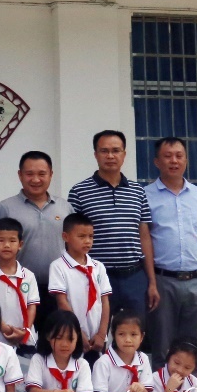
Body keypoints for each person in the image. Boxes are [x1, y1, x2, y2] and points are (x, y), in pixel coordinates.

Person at [144, 136, 197, 365]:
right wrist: (151, 283)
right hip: (163, 281)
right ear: (157, 161)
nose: (174, 161)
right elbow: (145, 240)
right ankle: (161, 389)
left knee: (193, 349)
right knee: (162, 347)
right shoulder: (144, 196)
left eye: (179, 156)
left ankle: (192, 389)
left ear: (186, 160)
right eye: (167, 156)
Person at [67, 130, 156, 319]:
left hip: (134, 276)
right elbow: (72, 239)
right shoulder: (79, 192)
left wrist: (152, 281)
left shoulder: (137, 191)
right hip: (95, 275)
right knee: (96, 330)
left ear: (124, 154)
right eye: (104, 151)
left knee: (133, 331)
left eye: (116, 150)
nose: (110, 156)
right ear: (95, 155)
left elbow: (144, 236)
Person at [0, 151, 72, 331]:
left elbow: (72, 247)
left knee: (55, 339)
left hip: (57, 290)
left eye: (42, 174)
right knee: (22, 338)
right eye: (29, 174)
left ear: (51, 174)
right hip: (18, 288)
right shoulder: (5, 208)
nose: (36, 179)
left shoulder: (65, 207)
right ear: (20, 175)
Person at [49, 213, 112, 359]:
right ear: (65, 237)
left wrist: (102, 334)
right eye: (82, 236)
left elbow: (105, 302)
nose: (87, 241)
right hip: (73, 335)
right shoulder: (58, 266)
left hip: (97, 337)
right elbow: (62, 302)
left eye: (91, 236)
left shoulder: (98, 267)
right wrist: (78, 332)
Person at [0, 217, 38, 353]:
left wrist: (25, 330)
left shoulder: (29, 276)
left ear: (20, 244)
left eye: (12, 241)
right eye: (1, 240)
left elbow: (31, 306)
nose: (6, 245)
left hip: (25, 340)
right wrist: (4, 328)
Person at [24, 310, 93, 392]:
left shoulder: (82, 364)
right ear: (48, 336)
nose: (65, 344)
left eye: (70, 339)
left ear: (77, 338)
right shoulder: (39, 359)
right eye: (59, 338)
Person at [91, 310, 156, 392]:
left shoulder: (143, 359)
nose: (128, 340)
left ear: (142, 337)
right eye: (121, 334)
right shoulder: (104, 362)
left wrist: (140, 390)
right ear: (113, 335)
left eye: (133, 334)